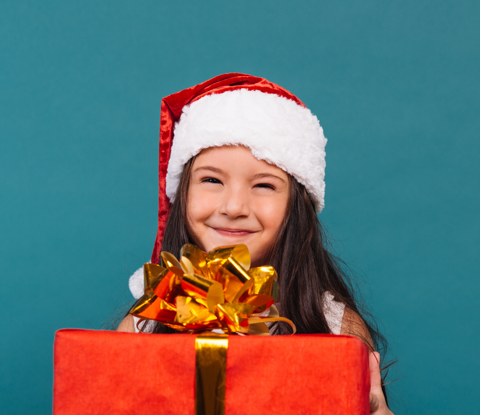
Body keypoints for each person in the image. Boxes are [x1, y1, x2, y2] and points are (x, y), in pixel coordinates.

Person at [117, 73, 394, 414]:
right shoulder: (143, 325)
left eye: (264, 185)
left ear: (297, 205)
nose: (234, 207)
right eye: (211, 179)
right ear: (181, 192)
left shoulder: (337, 328)